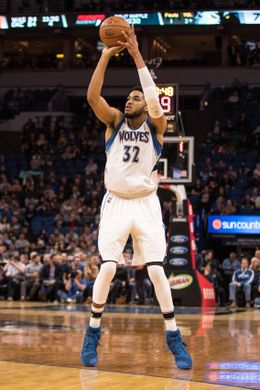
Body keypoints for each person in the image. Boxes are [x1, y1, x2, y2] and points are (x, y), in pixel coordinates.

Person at [80, 26, 192, 370]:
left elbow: (155, 100)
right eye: (128, 97)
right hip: (115, 202)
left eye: (135, 97)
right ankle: (92, 332)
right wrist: (105, 54)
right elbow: (92, 98)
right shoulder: (114, 122)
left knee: (157, 272)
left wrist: (136, 54)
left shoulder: (156, 127)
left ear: (146, 104)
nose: (130, 99)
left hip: (145, 204)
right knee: (109, 266)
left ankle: (173, 336)